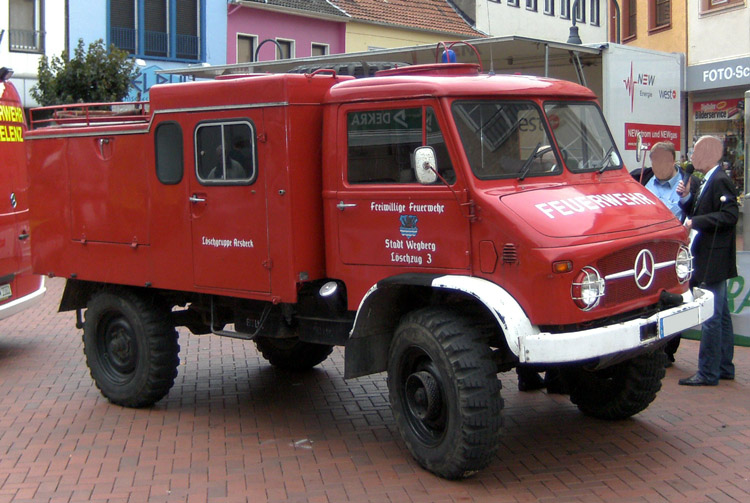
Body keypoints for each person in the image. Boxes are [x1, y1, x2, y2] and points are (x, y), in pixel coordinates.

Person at [676, 136, 738, 386]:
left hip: (715, 257)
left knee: (712, 317)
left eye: (697, 151)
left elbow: (730, 215)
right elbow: (697, 211)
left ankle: (708, 372)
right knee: (721, 314)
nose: (692, 155)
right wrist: (687, 197)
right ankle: (723, 367)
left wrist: (697, 222)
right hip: (712, 256)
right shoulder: (705, 180)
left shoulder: (720, 180)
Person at [640, 141, 699, 365]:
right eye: (655, 160)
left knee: (675, 299)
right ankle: (651, 348)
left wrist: (686, 198)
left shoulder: (689, 183)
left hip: (675, 252)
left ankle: (669, 350)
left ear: (673, 160)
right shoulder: (646, 181)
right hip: (648, 251)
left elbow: (694, 211)